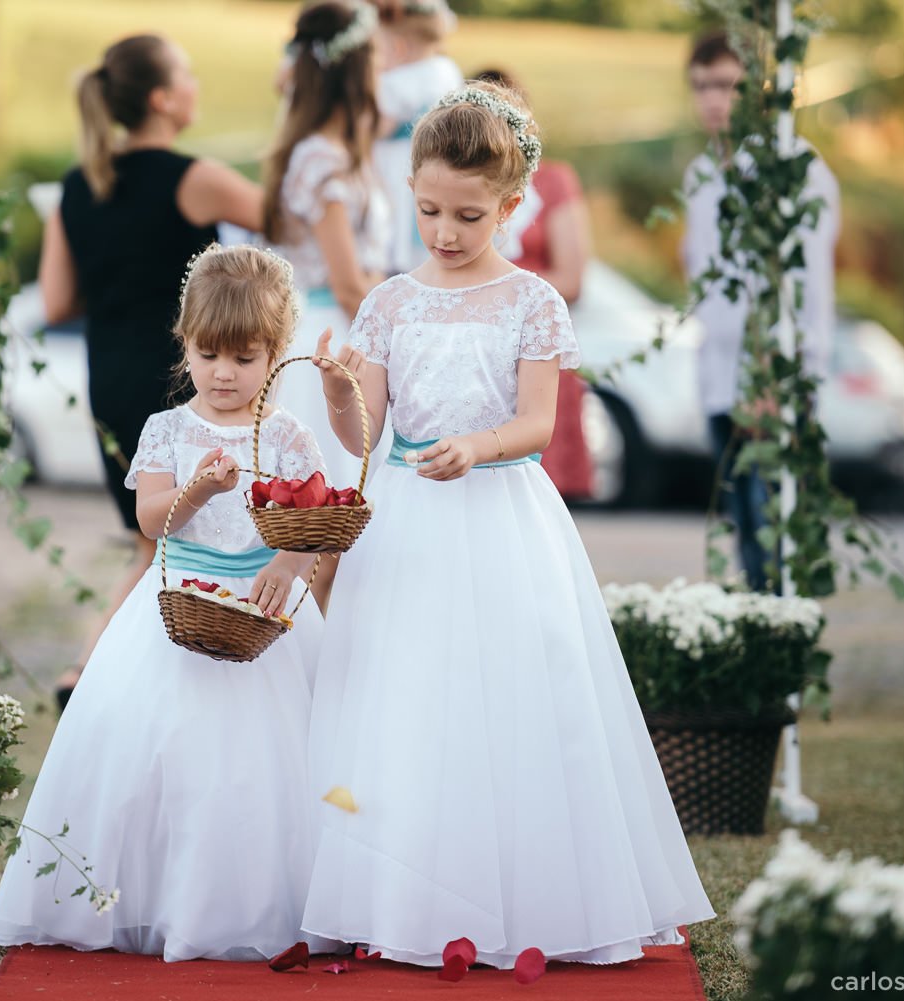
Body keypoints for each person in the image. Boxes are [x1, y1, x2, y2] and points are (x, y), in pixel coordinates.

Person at [303, 81, 714, 968]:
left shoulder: (532, 300)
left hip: (501, 514)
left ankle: (530, 891)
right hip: (409, 519)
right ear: (410, 190)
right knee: (408, 693)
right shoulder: (389, 302)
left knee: (510, 693)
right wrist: (338, 392)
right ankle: (402, 892)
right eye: (429, 212)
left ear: (511, 205)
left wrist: (476, 445)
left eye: (468, 215)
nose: (446, 232)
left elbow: (537, 422)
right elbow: (363, 435)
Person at [0, 245, 328, 961]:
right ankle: (146, 897)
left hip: (264, 613)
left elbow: (315, 523)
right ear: (184, 342)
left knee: (257, 769)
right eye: (208, 354)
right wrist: (198, 490)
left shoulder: (289, 436)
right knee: (158, 752)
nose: (224, 373)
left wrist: (288, 563)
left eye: (245, 358)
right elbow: (150, 521)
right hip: (177, 607)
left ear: (275, 353)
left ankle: (244, 906)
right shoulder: (166, 430)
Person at [44, 35, 264, 705]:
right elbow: (286, 222)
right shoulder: (194, 178)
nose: (196, 87)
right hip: (181, 376)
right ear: (164, 99)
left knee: (154, 538)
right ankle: (95, 675)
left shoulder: (77, 186)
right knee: (169, 537)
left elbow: (55, 301)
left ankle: (91, 674)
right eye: (187, 76)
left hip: (108, 377)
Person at [682, 29, 839, 591]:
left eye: (727, 85)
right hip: (719, 376)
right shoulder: (701, 176)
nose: (713, 99)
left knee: (777, 539)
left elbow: (808, 285)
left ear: (759, 90)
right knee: (745, 535)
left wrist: (784, 374)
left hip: (775, 377)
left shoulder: (794, 169)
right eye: (702, 86)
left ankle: (783, 640)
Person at [263, 0, 390, 494]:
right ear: (356, 69)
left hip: (347, 327)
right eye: (375, 55)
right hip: (334, 333)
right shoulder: (320, 158)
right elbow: (347, 283)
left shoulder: (339, 151)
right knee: (334, 491)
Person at [476, 66, 594, 500]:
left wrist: (502, 294)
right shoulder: (459, 188)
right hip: (476, 343)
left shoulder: (553, 182)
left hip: (531, 340)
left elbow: (572, 279)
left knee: (541, 488)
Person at [371, 0, 464, 274]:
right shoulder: (446, 69)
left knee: (395, 215)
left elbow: (378, 128)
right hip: (435, 157)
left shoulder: (396, 82)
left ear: (398, 48)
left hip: (396, 162)